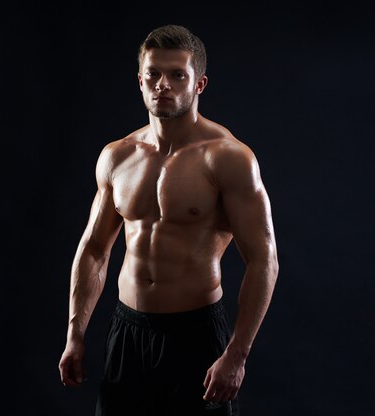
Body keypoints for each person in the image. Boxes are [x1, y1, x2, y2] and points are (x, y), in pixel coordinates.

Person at [58, 24, 279, 416]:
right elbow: (93, 249)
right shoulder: (117, 156)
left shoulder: (228, 158)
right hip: (127, 331)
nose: (163, 84)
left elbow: (264, 259)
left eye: (177, 74)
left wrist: (237, 354)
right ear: (140, 81)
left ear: (199, 84)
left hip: (195, 335)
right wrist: (75, 334)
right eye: (153, 74)